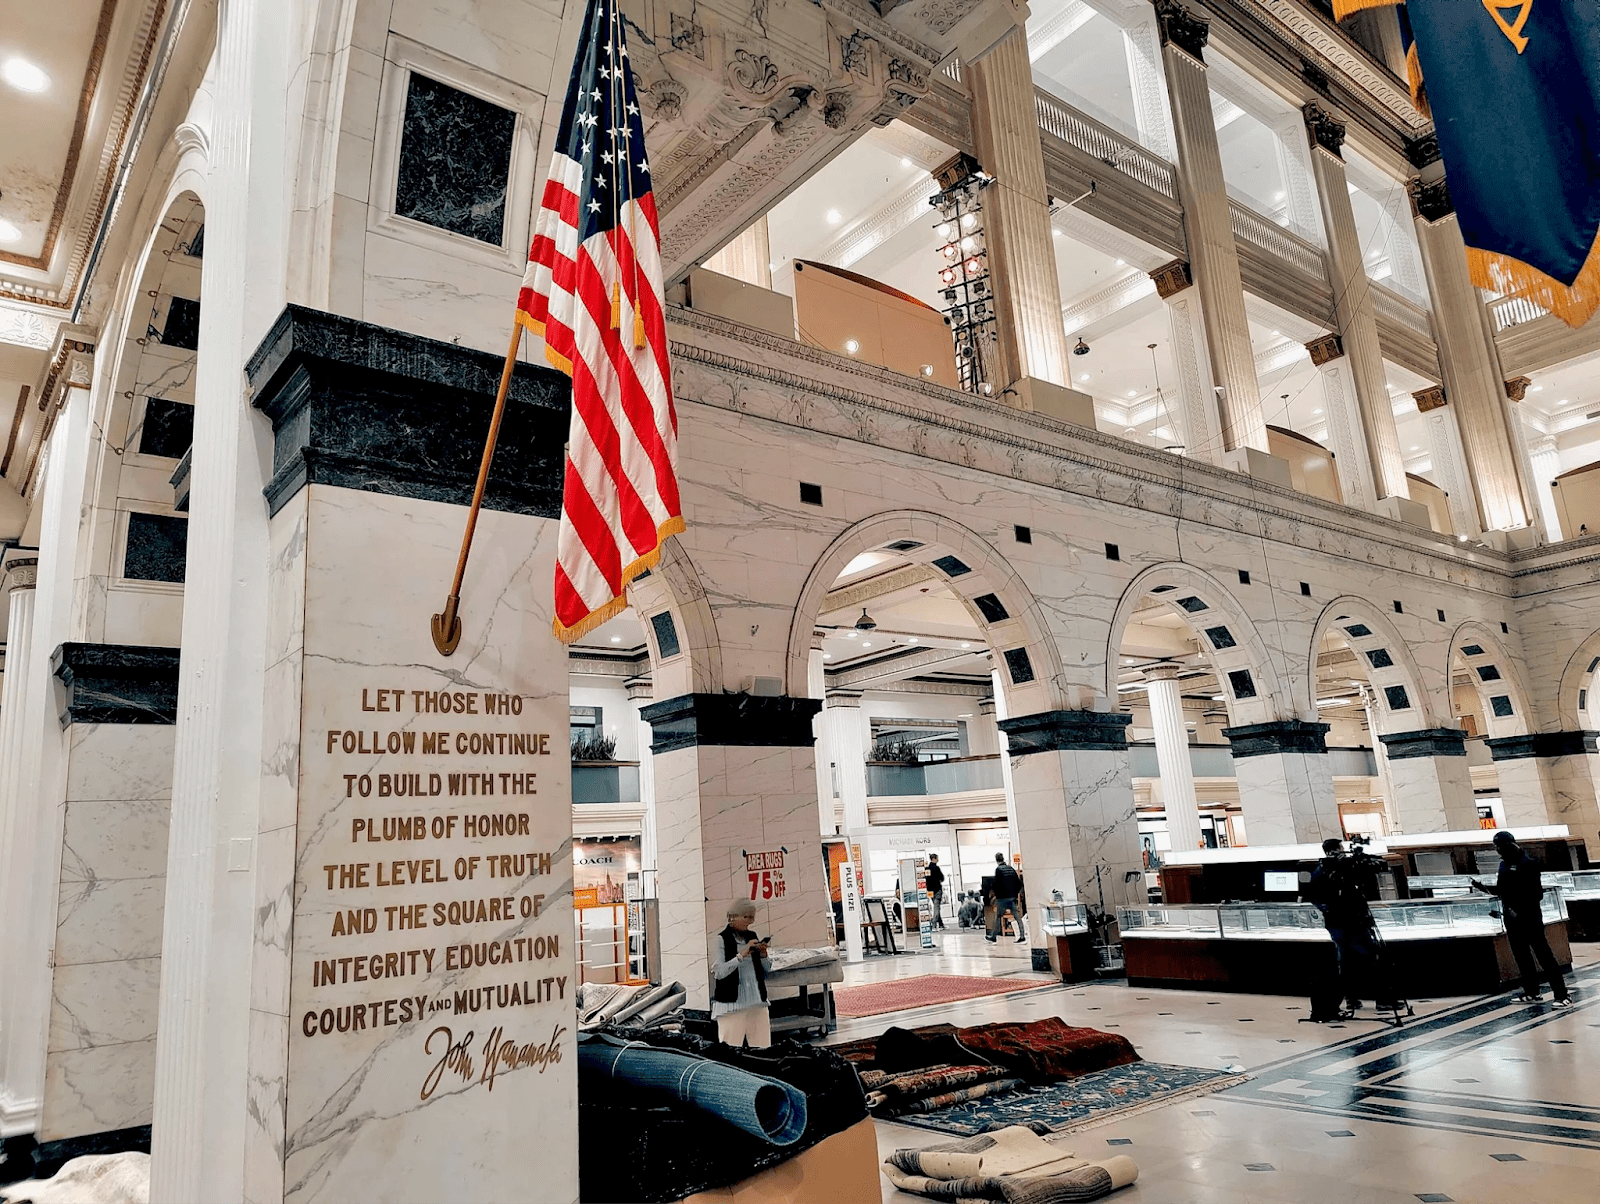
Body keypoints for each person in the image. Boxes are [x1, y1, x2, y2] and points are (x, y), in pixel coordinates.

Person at [1472, 830, 1573, 1006]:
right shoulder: (1503, 865)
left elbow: (1536, 894)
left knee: (1544, 957)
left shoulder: (1529, 863)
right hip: (1511, 920)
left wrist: (1520, 910)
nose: (1498, 850)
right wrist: (1483, 888)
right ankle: (1532, 992)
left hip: (1529, 918)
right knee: (1522, 957)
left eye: (1500, 847)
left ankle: (1562, 995)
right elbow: (1502, 890)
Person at [1304, 837, 1398, 1020]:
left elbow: (1314, 897)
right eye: (1340, 848)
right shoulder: (1333, 871)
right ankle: (1382, 999)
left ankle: (1351, 999)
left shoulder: (1320, 871)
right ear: (1333, 850)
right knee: (1372, 957)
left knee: (1346, 961)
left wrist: (1329, 909)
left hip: (1339, 924)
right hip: (1351, 923)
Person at [709, 900, 772, 1047]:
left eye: (752, 917)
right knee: (731, 1050)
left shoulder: (752, 935)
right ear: (733, 917)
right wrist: (742, 955)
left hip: (757, 1001)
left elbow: (766, 969)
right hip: (731, 1005)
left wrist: (763, 954)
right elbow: (719, 972)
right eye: (746, 917)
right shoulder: (721, 939)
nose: (750, 921)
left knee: (763, 1048)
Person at [985, 852, 1026, 944]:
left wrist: (995, 894)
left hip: (1002, 898)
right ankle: (1022, 935)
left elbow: (996, 884)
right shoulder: (1011, 869)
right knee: (1017, 917)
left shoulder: (999, 870)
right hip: (1012, 898)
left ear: (996, 860)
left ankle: (993, 936)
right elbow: (1019, 883)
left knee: (998, 917)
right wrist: (1015, 894)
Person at [924, 855, 947, 929]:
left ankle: (941, 924)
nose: (938, 860)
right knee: (936, 908)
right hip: (937, 890)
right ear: (934, 859)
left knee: (935, 906)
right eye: (937, 858)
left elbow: (925, 879)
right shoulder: (936, 868)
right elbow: (942, 878)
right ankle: (933, 925)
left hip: (930, 891)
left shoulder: (926, 869)